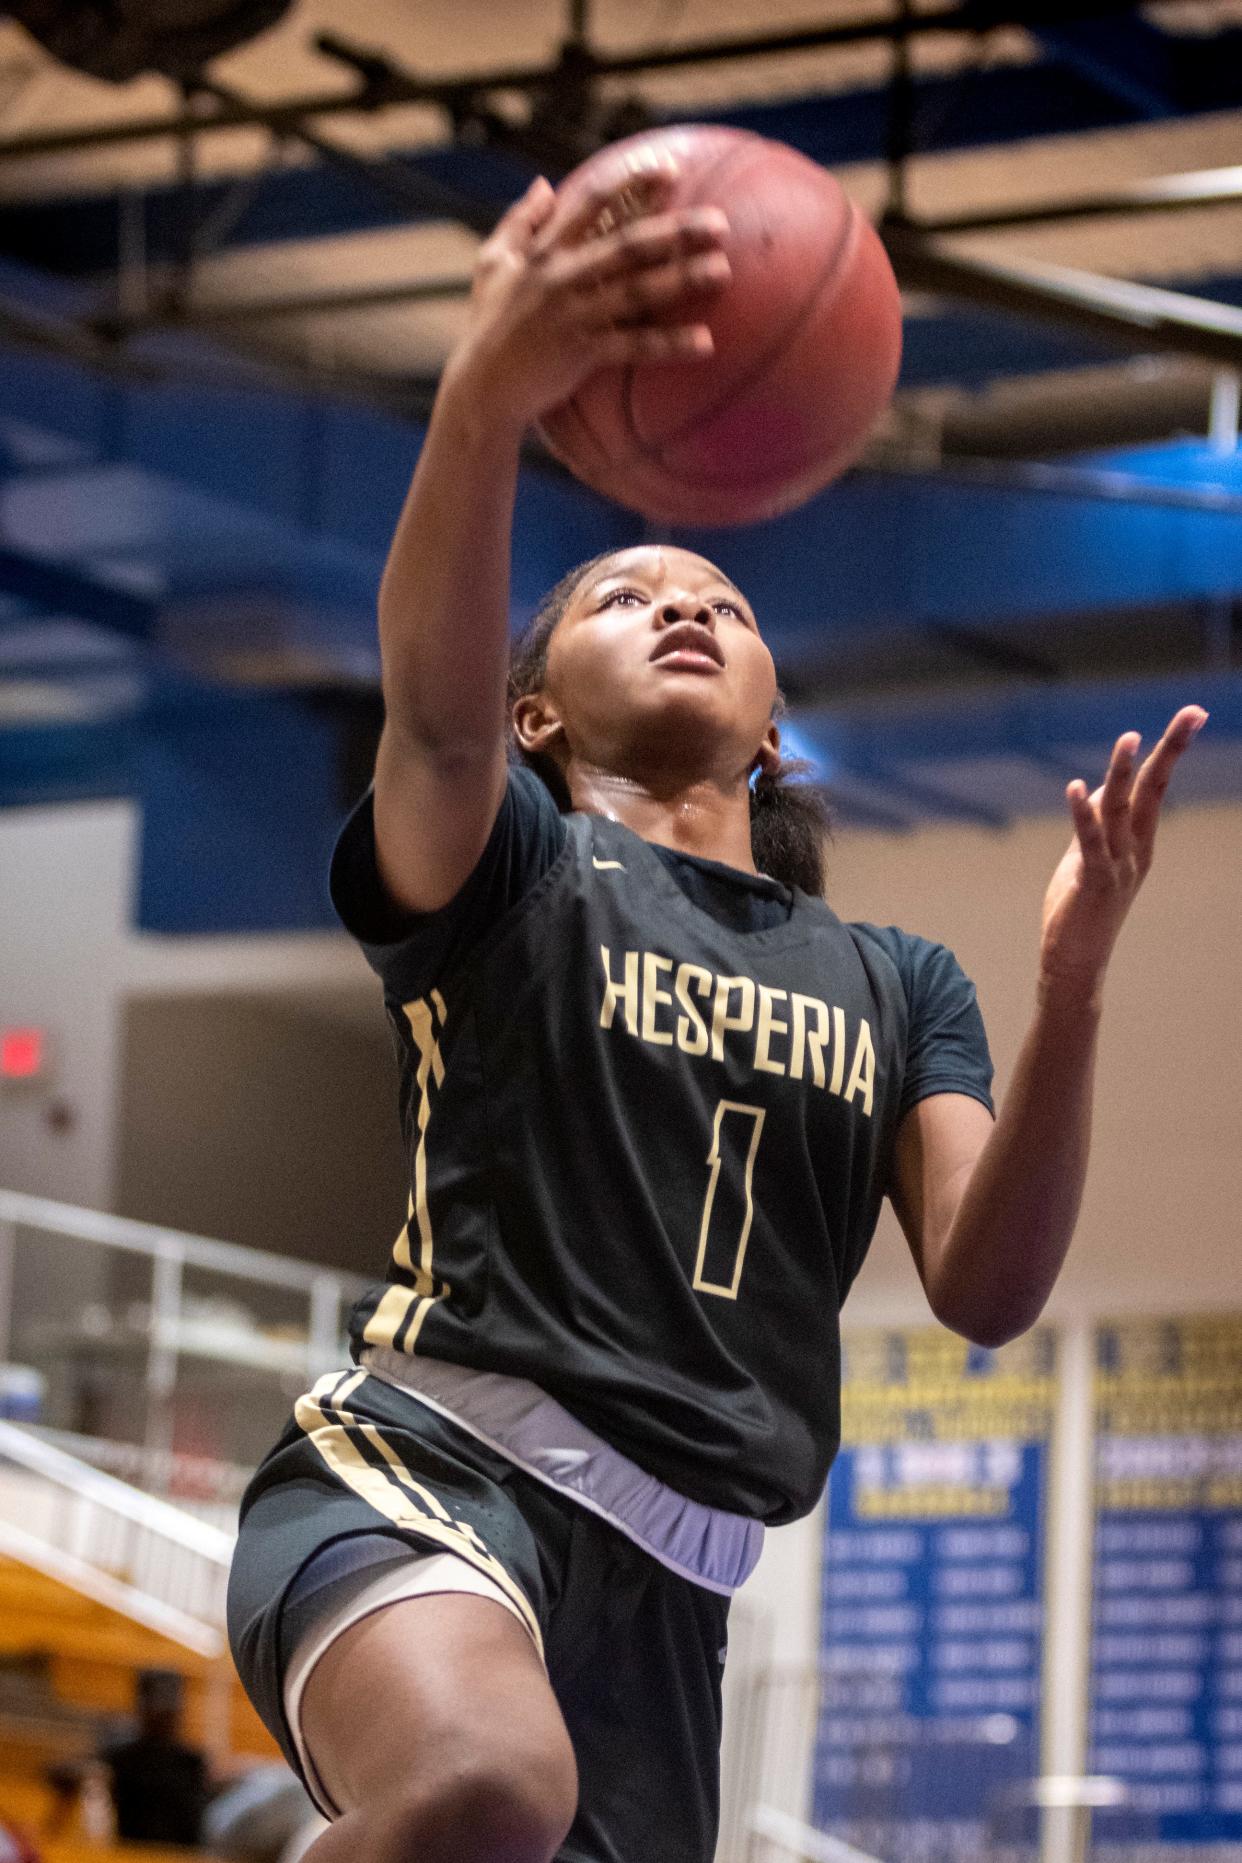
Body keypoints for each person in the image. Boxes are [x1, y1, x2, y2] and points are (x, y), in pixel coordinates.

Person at [225, 159, 1206, 1863]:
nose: (681, 601)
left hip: (679, 1584)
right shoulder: (508, 859)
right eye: (621, 593)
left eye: (722, 602)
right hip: (436, 1470)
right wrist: (483, 399)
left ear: (772, 735)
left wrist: (1071, 987)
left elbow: (986, 1284)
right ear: (533, 714)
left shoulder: (898, 982)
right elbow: (431, 723)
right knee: (479, 1791)